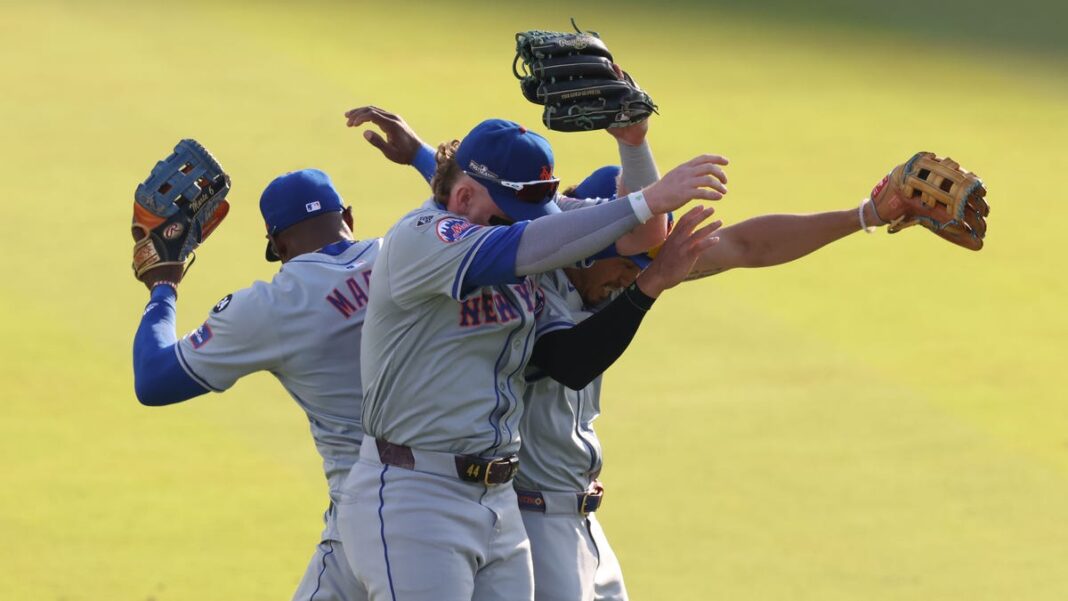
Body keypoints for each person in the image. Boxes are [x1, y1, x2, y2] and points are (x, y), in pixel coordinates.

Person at [336, 113, 728, 601]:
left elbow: (641, 240)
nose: (531, 227)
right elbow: (525, 246)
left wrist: (634, 144)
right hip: (416, 496)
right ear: (463, 199)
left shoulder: (515, 222)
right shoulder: (422, 236)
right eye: (512, 214)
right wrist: (647, 199)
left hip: (497, 502)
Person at [131, 162, 432, 601]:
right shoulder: (410, 254)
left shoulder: (274, 306)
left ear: (276, 243)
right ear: (348, 218)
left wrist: (163, 286)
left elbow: (155, 381)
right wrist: (423, 158)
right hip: (446, 492)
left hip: (372, 505)